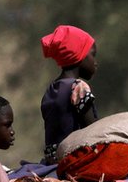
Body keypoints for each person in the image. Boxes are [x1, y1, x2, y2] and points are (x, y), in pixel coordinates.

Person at [40, 25, 99, 164]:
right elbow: (93, 131)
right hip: (73, 158)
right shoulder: (78, 87)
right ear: (80, 55)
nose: (96, 63)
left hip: (51, 160)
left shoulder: (51, 89)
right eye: (93, 55)